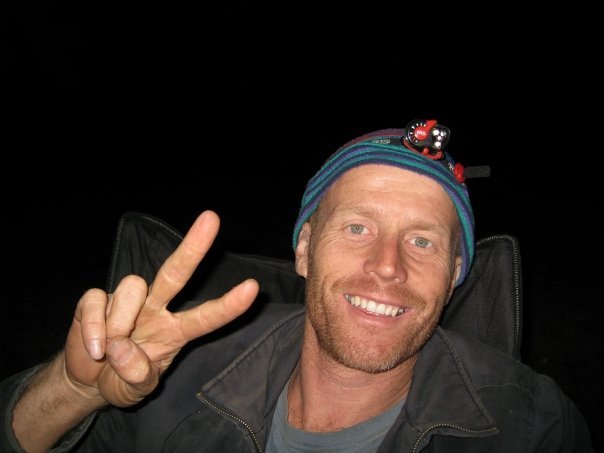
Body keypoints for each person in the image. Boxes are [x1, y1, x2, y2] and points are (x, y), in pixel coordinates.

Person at [0, 122, 593, 452]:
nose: (388, 266)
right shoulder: (176, 373)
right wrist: (73, 390)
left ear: (456, 274)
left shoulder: (532, 425)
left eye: (422, 241)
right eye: (357, 228)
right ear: (305, 249)